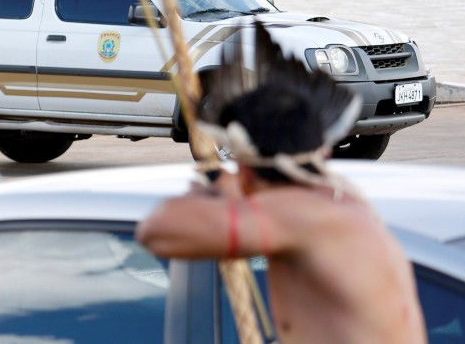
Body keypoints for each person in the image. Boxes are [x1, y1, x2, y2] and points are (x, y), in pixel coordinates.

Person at [136, 22, 427, 343]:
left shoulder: (293, 215)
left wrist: (222, 187)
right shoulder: (344, 199)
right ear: (324, 150)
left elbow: (155, 232)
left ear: (245, 171)